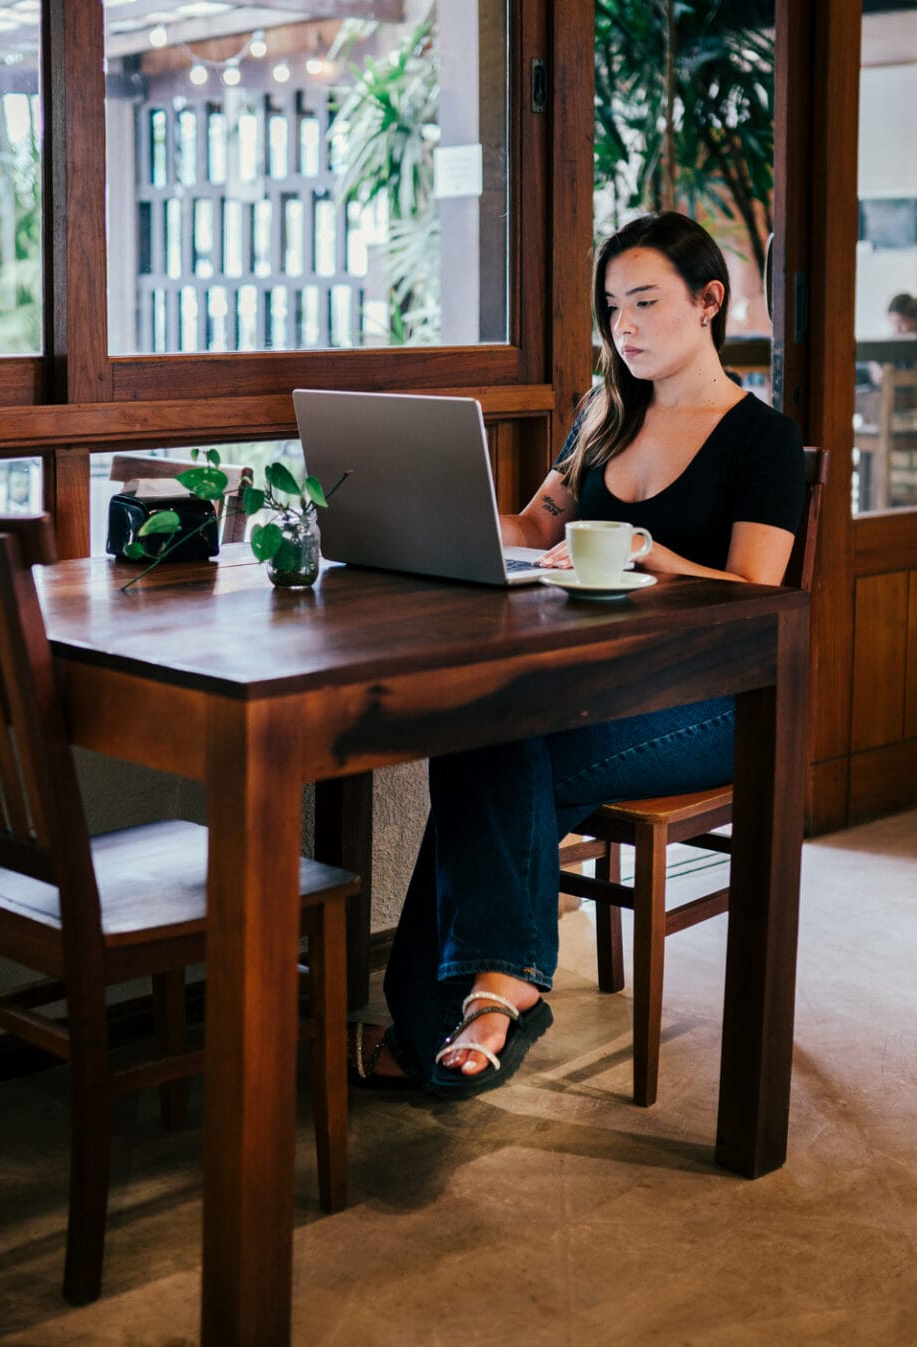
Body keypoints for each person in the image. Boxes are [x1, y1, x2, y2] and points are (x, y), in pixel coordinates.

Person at [350, 211, 805, 1098]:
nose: (623, 327)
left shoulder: (763, 439)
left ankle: (448, 1015)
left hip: (715, 699)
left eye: (645, 302)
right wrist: (433, 520)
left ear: (708, 302)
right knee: (493, 730)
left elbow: (759, 590)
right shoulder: (605, 413)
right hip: (598, 688)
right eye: (611, 308)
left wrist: (653, 554)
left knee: (504, 745)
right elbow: (534, 524)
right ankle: (487, 1000)